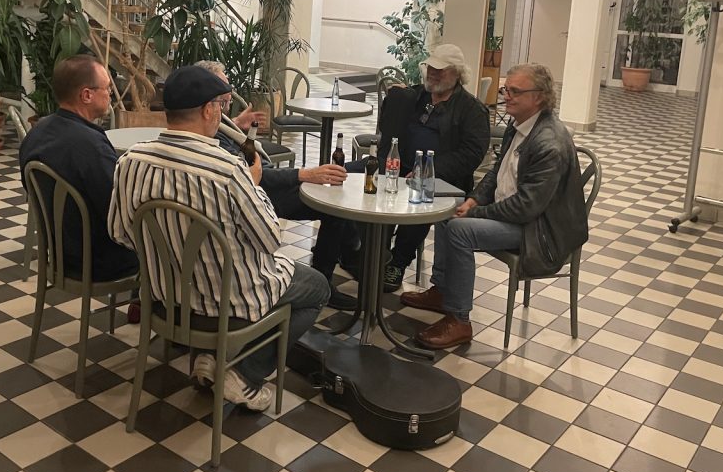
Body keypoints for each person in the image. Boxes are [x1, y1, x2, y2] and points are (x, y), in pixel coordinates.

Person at [108, 66, 330, 411]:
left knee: (205, 268)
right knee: (317, 288)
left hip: (164, 299)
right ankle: (245, 374)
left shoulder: (130, 161)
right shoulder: (228, 170)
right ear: (208, 110)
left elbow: (120, 233)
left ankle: (208, 357)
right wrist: (254, 184)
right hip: (226, 304)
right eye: (220, 105)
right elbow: (270, 238)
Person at [400, 63, 589, 349]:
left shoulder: (549, 143)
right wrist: (474, 199)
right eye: (505, 90)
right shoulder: (520, 124)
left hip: (540, 230)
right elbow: (497, 172)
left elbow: (526, 208)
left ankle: (459, 320)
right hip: (517, 214)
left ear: (539, 97)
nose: (506, 97)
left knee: (460, 229)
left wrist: (475, 212)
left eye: (515, 91)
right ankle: (443, 290)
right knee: (447, 206)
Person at [194, 61, 358, 310]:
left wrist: (236, 123)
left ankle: (352, 254)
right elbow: (254, 177)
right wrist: (305, 174)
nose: (229, 91)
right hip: (262, 193)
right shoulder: (212, 133)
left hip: (264, 181)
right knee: (333, 208)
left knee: (336, 197)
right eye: (223, 88)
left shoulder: (219, 121)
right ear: (209, 101)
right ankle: (330, 276)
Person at [364, 44, 490, 291]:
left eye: (440, 70)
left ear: (457, 74)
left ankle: (398, 262)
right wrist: (396, 99)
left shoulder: (472, 110)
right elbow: (388, 127)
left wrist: (428, 169)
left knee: (421, 194)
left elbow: (471, 155)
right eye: (430, 68)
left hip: (440, 178)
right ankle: (372, 252)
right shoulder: (415, 96)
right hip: (399, 167)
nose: (432, 73)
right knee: (361, 180)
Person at [19, 54, 139, 283]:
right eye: (107, 88)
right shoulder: (91, 145)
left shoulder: (36, 133)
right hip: (99, 261)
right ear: (87, 95)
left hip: (59, 254)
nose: (110, 95)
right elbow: (117, 209)